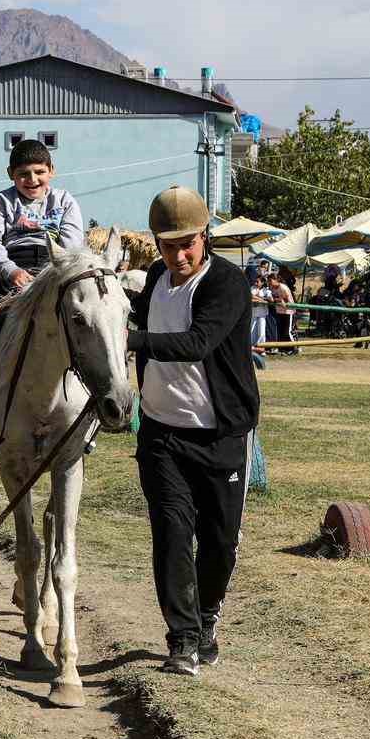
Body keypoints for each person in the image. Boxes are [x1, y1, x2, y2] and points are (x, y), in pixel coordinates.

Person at [125, 187, 260, 677]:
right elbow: (137, 319)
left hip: (219, 434)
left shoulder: (228, 283)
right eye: (167, 246)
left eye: (188, 244)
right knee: (172, 533)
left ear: (206, 236)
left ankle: (207, 617)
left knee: (219, 542)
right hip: (163, 433)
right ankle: (182, 639)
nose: (178, 256)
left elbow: (198, 341)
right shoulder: (158, 277)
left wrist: (133, 339)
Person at [0, 138, 85, 429]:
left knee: (87, 321)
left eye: (38, 172)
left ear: (51, 171)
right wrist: (11, 272)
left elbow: (72, 243)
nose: (31, 179)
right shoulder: (1, 201)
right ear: (11, 174)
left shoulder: (65, 201)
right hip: (9, 271)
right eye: (23, 174)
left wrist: (52, 273)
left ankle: (91, 398)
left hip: (53, 268)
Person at [266, 272, 295, 351]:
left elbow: (286, 301)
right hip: (279, 311)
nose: (269, 283)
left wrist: (276, 300)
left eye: (270, 280)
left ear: (276, 280)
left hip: (288, 312)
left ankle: (293, 348)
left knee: (287, 332)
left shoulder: (283, 288)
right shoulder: (271, 288)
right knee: (280, 331)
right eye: (268, 281)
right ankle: (283, 348)